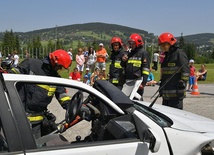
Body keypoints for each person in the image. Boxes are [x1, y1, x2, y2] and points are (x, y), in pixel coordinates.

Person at [7, 49, 72, 139]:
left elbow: (62, 96)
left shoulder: (56, 78)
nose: (60, 70)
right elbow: (11, 75)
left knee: (35, 149)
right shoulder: (31, 64)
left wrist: (72, 106)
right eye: (60, 67)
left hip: (37, 123)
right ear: (54, 63)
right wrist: (8, 73)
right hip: (19, 119)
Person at [158, 32, 189, 109]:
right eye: (161, 46)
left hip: (176, 93)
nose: (163, 47)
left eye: (164, 45)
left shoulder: (179, 54)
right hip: (166, 94)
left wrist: (182, 83)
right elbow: (165, 74)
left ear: (170, 43)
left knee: (176, 117)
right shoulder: (167, 56)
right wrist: (162, 86)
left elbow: (185, 71)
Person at [121, 33, 150, 101]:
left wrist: (143, 83)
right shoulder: (130, 53)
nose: (131, 45)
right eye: (130, 43)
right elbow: (123, 65)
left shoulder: (143, 53)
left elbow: (146, 69)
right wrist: (123, 60)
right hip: (128, 81)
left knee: (137, 101)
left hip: (138, 82)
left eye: (133, 43)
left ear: (138, 43)